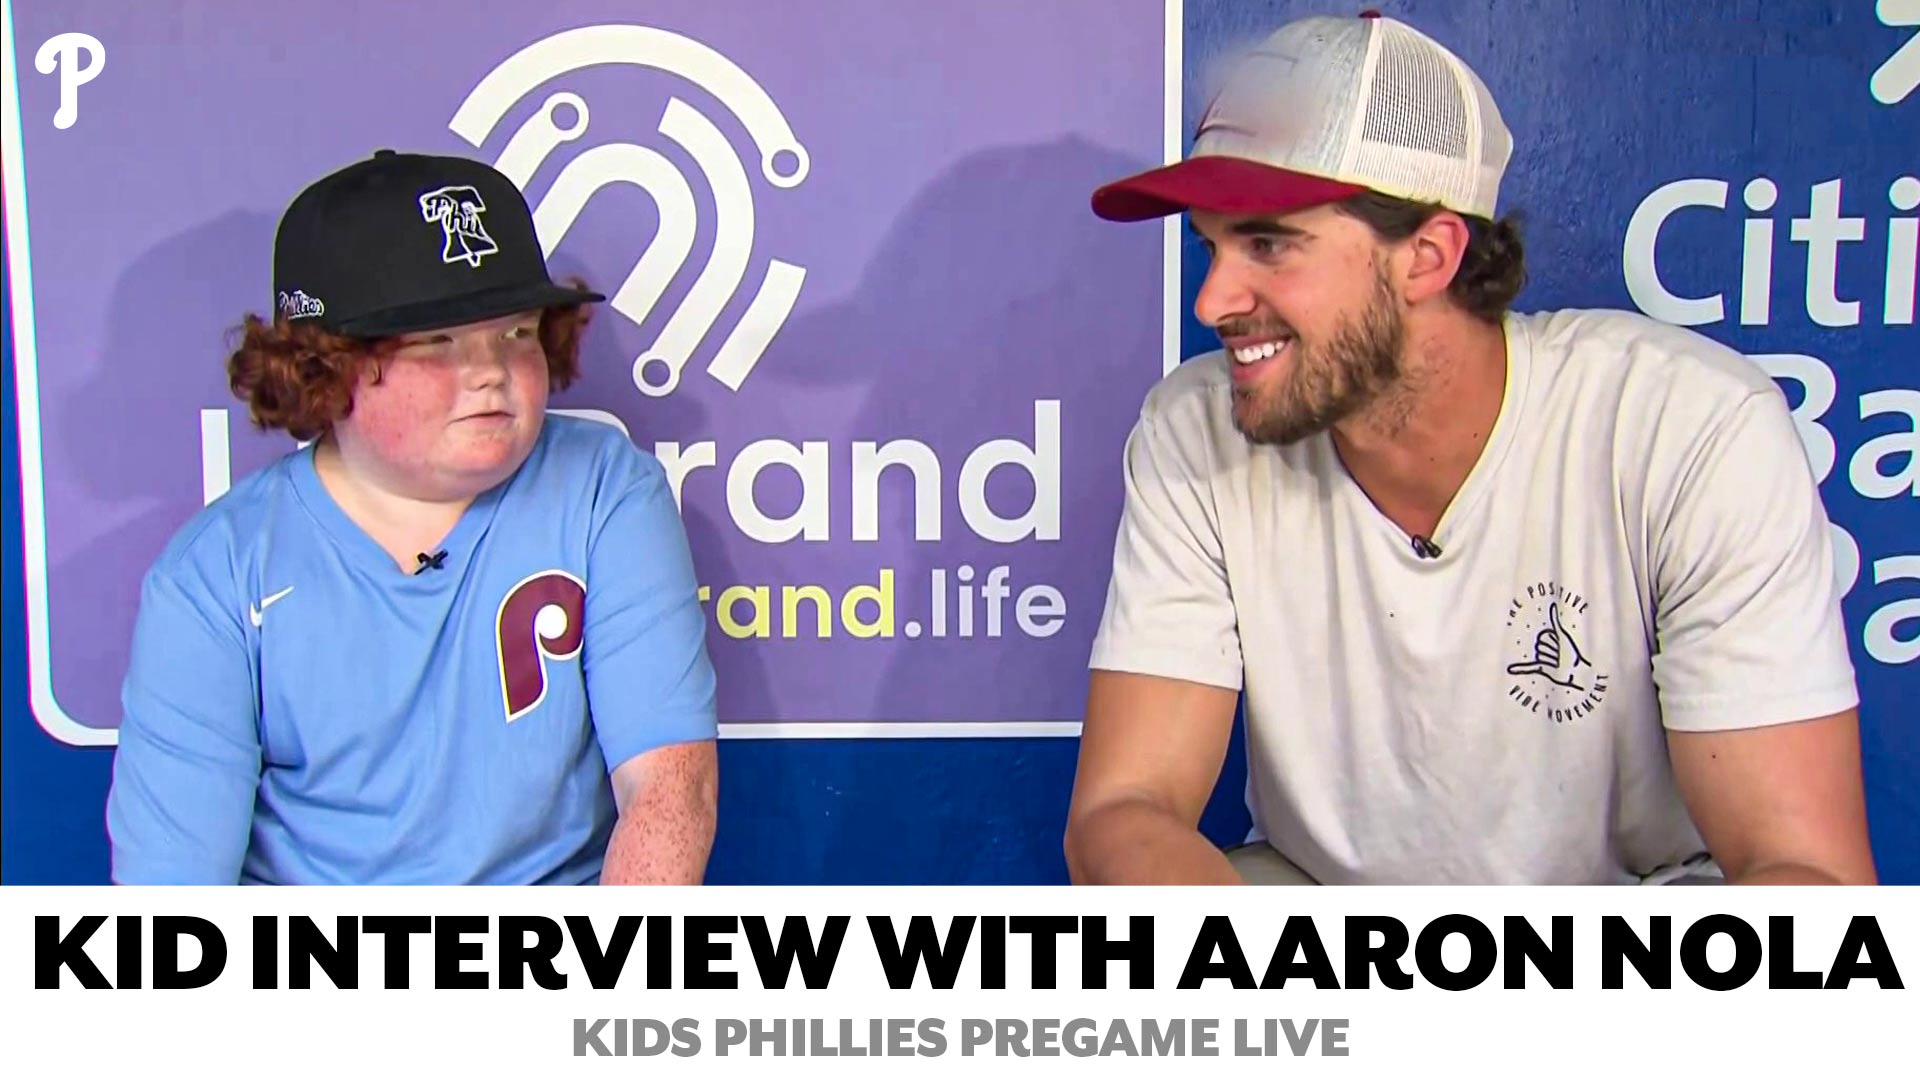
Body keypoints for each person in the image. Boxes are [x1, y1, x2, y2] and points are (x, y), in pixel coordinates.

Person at [1064, 12, 1876, 885]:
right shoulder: (1195, 429)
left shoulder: (1689, 425)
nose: (1213, 299)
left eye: (1268, 242)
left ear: (1428, 255)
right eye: (1211, 246)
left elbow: (1807, 876)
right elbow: (1126, 810)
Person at [106, 150, 719, 884]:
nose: (490, 370)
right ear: (324, 365)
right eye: (437, 343)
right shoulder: (216, 572)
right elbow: (171, 901)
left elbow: (671, 789)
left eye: (516, 333)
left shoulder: (606, 489)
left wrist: (596, 994)